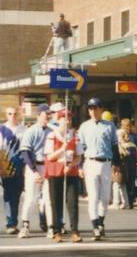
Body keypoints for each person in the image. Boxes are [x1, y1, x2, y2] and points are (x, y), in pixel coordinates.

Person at [78, 98, 118, 241]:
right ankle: (95, 226)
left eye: (95, 108)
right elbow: (80, 148)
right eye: (90, 108)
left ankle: (101, 221)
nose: (93, 111)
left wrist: (117, 164)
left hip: (105, 162)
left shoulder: (110, 126)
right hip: (90, 162)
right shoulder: (84, 126)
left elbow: (114, 146)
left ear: (100, 109)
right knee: (93, 196)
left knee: (106, 197)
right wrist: (79, 165)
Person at [43, 109, 83, 243]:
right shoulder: (51, 135)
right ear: (58, 120)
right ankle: (56, 231)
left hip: (69, 171)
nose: (67, 121)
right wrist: (62, 149)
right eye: (64, 118)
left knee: (72, 202)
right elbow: (49, 156)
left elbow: (79, 156)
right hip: (55, 171)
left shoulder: (75, 135)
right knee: (56, 202)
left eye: (69, 119)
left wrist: (71, 165)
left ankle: (75, 230)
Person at [18, 104, 53, 238]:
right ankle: (25, 226)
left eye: (49, 114)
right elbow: (25, 153)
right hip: (34, 166)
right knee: (31, 198)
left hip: (48, 166)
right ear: (38, 115)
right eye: (46, 114)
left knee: (48, 199)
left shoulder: (51, 130)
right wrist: (35, 171)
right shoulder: (31, 130)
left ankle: (51, 227)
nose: (48, 116)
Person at [0, 119, 23, 235]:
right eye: (9, 114)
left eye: (14, 114)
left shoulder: (23, 129)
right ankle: (10, 223)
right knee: (8, 195)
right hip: (6, 167)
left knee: (17, 196)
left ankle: (14, 220)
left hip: (19, 168)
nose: (12, 116)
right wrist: (1, 168)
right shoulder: (2, 130)